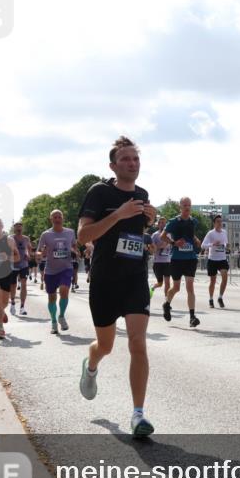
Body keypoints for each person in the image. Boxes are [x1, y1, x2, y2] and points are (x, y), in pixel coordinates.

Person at [77, 136, 157, 439]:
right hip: (105, 279)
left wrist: (147, 221)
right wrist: (118, 214)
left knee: (138, 343)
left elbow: (135, 234)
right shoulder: (99, 192)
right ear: (113, 165)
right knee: (106, 345)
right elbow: (83, 236)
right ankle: (92, 363)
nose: (132, 164)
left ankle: (138, 414)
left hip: (135, 277)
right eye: (125, 159)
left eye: (135, 159)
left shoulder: (142, 194)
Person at [163, 197, 203, 327]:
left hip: (191, 258)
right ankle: (167, 304)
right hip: (177, 259)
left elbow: (190, 235)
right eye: (184, 205)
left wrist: (196, 240)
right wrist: (174, 243)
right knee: (176, 287)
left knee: (190, 287)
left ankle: (192, 317)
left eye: (189, 205)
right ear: (180, 207)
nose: (187, 207)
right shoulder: (174, 222)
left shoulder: (193, 221)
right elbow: (162, 236)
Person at [37, 210, 77, 335]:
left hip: (66, 267)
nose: (57, 218)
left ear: (62, 218)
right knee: (52, 297)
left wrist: (75, 251)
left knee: (64, 290)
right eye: (55, 217)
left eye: (59, 216)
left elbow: (74, 246)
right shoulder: (46, 234)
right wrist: (40, 254)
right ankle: (54, 321)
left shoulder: (70, 232)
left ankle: (61, 316)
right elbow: (38, 251)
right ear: (51, 219)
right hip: (51, 270)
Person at [203, 215, 230, 308]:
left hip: (222, 259)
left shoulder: (224, 232)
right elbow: (203, 245)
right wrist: (212, 244)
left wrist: (227, 245)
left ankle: (220, 297)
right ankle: (211, 299)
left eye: (221, 221)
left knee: (225, 277)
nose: (220, 223)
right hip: (212, 259)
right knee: (213, 281)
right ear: (214, 223)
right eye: (218, 221)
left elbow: (225, 243)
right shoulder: (210, 233)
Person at [8, 222, 31, 315]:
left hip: (24, 265)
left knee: (24, 284)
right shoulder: (10, 238)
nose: (19, 229)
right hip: (13, 265)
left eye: (20, 227)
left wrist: (28, 254)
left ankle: (22, 307)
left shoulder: (26, 238)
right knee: (13, 285)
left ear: (22, 228)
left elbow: (28, 248)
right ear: (14, 229)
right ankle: (13, 303)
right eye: (17, 227)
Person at [149, 216, 173, 300]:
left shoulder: (169, 234)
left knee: (168, 283)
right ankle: (152, 287)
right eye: (161, 222)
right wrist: (160, 246)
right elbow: (151, 248)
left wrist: (169, 244)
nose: (163, 224)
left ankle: (167, 302)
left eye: (164, 222)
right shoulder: (155, 235)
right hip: (158, 262)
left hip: (167, 261)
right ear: (158, 224)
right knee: (160, 283)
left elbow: (171, 245)